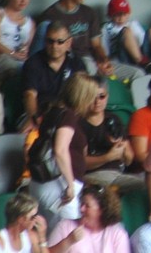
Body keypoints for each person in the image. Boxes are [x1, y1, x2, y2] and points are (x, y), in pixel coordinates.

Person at [31, 72, 102, 225]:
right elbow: (60, 150)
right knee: (66, 234)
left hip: (44, 182)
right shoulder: (68, 116)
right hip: (58, 184)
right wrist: (70, 184)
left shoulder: (53, 111)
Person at [37, 0, 111, 78]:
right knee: (89, 68)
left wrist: (103, 60)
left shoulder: (89, 12)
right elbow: (53, 50)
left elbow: (96, 45)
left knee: (136, 73)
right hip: (70, 61)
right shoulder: (50, 15)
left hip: (92, 59)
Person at [81, 80, 138, 193]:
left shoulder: (113, 119)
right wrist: (108, 157)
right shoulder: (79, 123)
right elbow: (80, 163)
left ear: (107, 97)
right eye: (93, 96)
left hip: (117, 173)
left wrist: (124, 148)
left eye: (102, 96)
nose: (97, 101)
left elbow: (129, 161)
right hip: (92, 175)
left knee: (146, 185)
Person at [21, 24, 79, 129]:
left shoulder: (77, 63)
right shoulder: (33, 63)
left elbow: (83, 95)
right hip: (40, 112)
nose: (54, 46)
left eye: (60, 42)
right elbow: (29, 95)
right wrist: (34, 117)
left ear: (69, 43)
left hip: (68, 114)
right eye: (50, 41)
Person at [46, 184, 127, 253]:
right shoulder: (65, 226)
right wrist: (68, 241)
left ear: (102, 210)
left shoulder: (117, 233)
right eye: (82, 204)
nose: (82, 209)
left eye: (87, 206)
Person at [99, 0, 151, 79]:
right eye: (117, 15)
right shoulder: (107, 28)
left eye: (124, 14)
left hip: (141, 53)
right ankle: (143, 62)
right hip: (122, 57)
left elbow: (142, 41)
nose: (121, 18)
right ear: (110, 15)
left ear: (128, 14)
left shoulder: (133, 24)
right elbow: (104, 52)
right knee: (126, 31)